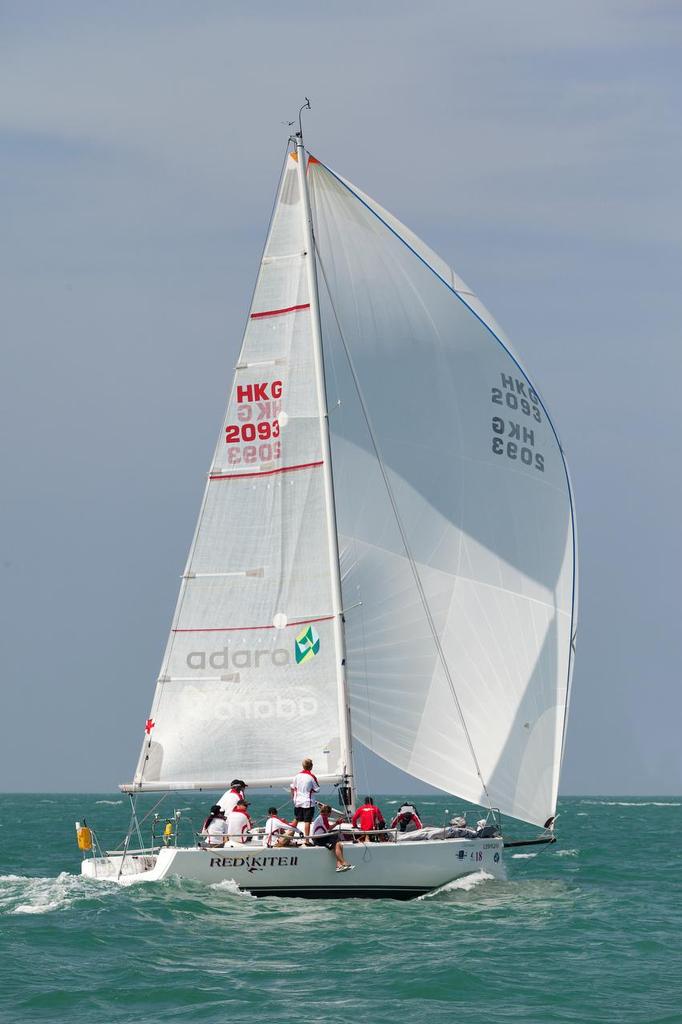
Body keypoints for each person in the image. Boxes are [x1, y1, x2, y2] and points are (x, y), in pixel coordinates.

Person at [311, 803, 353, 872]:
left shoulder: (322, 817)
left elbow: (327, 829)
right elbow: (329, 828)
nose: (330, 814)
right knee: (336, 841)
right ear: (328, 812)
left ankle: (339, 865)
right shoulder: (323, 817)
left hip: (321, 837)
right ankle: (343, 863)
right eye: (330, 812)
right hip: (318, 839)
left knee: (339, 844)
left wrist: (337, 823)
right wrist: (337, 823)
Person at [290, 758, 320, 837]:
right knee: (307, 821)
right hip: (308, 802)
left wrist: (294, 798)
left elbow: (292, 788)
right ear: (311, 766)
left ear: (303, 766)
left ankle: (289, 836)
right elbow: (317, 789)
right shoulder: (311, 777)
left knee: (296, 819)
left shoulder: (297, 776)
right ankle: (306, 840)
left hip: (298, 802)